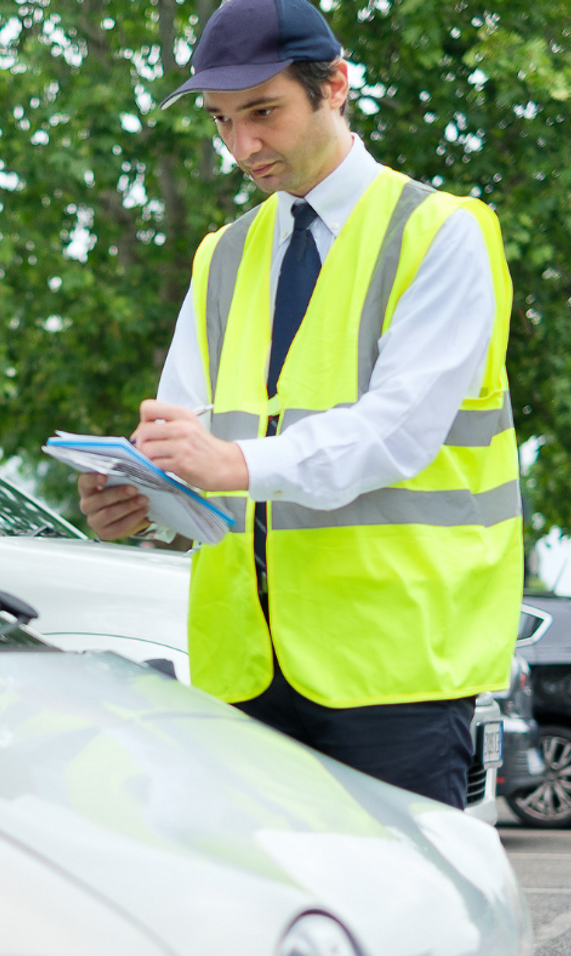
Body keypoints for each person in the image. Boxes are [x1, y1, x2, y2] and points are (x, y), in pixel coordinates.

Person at [78, 0, 522, 810]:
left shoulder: (443, 233)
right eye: (220, 121)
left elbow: (397, 433)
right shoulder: (223, 256)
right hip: (244, 673)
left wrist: (231, 462)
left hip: (395, 675)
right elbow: (195, 453)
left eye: (263, 112)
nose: (243, 147)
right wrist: (143, 503)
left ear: (336, 87)